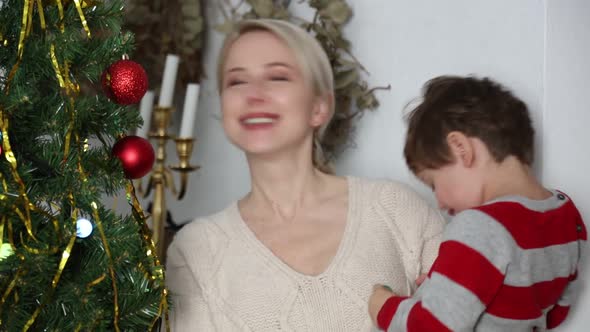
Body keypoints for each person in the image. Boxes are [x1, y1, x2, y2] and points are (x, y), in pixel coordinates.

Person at [165, 19, 446, 331]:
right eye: (236, 82)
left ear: (319, 107)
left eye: (278, 77)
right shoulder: (194, 250)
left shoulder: (397, 210)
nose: (254, 94)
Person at [369, 75, 587, 331]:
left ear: (461, 148)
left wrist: (382, 306)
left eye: (433, 183)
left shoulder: (478, 226)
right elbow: (555, 315)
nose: (439, 202)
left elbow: (430, 327)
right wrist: (450, 288)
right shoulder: (567, 215)